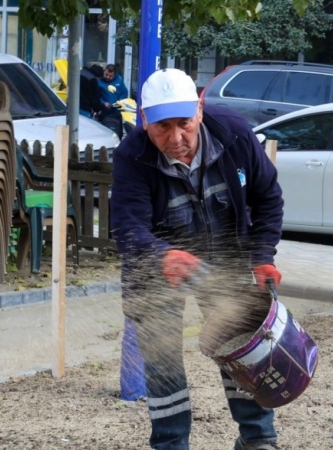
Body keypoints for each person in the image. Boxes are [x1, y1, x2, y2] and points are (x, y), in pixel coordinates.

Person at [111, 68, 285, 450]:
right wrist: (162, 255)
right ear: (144, 121)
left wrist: (262, 256)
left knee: (244, 348)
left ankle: (257, 440)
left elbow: (268, 198)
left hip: (224, 261)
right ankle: (171, 445)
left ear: (200, 110)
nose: (176, 139)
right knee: (164, 366)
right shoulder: (132, 156)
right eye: (162, 128)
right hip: (157, 271)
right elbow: (126, 228)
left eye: (184, 124)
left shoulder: (235, 135)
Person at [97, 64, 129, 139]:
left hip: (116, 112)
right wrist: (103, 103)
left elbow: (124, 92)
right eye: (106, 75)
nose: (108, 77)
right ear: (104, 71)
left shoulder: (119, 80)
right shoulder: (99, 81)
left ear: (114, 74)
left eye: (110, 76)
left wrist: (120, 101)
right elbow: (96, 96)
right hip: (104, 112)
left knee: (117, 131)